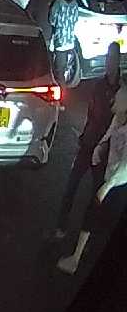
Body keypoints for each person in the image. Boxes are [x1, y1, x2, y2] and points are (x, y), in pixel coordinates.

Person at [58, 82, 127, 274]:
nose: (114, 99)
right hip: (110, 177)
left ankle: (80, 259)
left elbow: (126, 166)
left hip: (119, 184)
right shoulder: (118, 118)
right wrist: (99, 147)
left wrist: (108, 186)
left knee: (101, 219)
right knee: (93, 215)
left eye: (120, 96)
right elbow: (108, 135)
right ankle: (77, 257)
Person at [56, 42, 120, 238]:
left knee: (96, 193)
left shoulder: (121, 89)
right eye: (108, 58)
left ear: (117, 61)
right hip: (89, 143)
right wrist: (84, 138)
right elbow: (92, 115)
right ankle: (62, 225)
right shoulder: (99, 86)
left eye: (112, 59)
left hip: (104, 147)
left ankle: (88, 230)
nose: (109, 63)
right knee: (72, 185)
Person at [49, 0, 79, 82]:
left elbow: (52, 20)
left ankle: (62, 90)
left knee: (59, 71)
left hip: (60, 40)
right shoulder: (75, 3)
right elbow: (75, 19)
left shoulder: (58, 2)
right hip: (70, 40)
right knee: (64, 68)